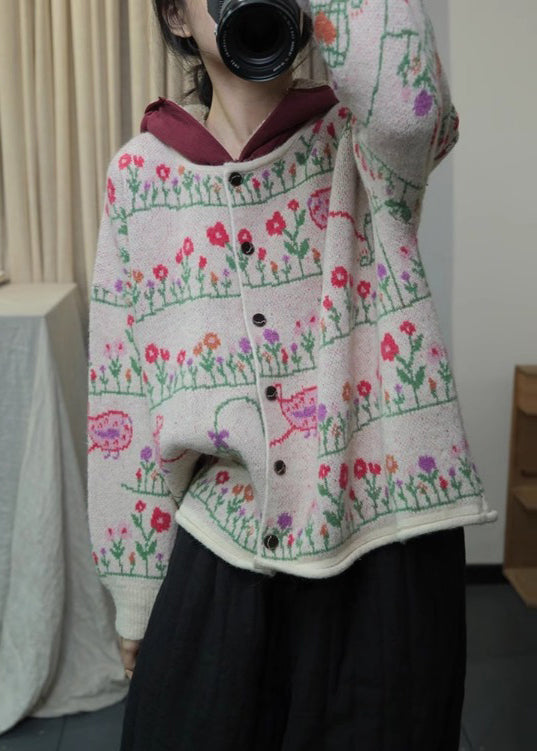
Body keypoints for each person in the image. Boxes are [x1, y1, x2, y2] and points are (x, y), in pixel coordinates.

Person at [87, 0, 498, 748]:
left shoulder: (365, 142)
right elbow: (121, 392)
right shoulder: (139, 176)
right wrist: (135, 593)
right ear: (177, 17)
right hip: (224, 546)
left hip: (387, 548)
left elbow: (408, 105)